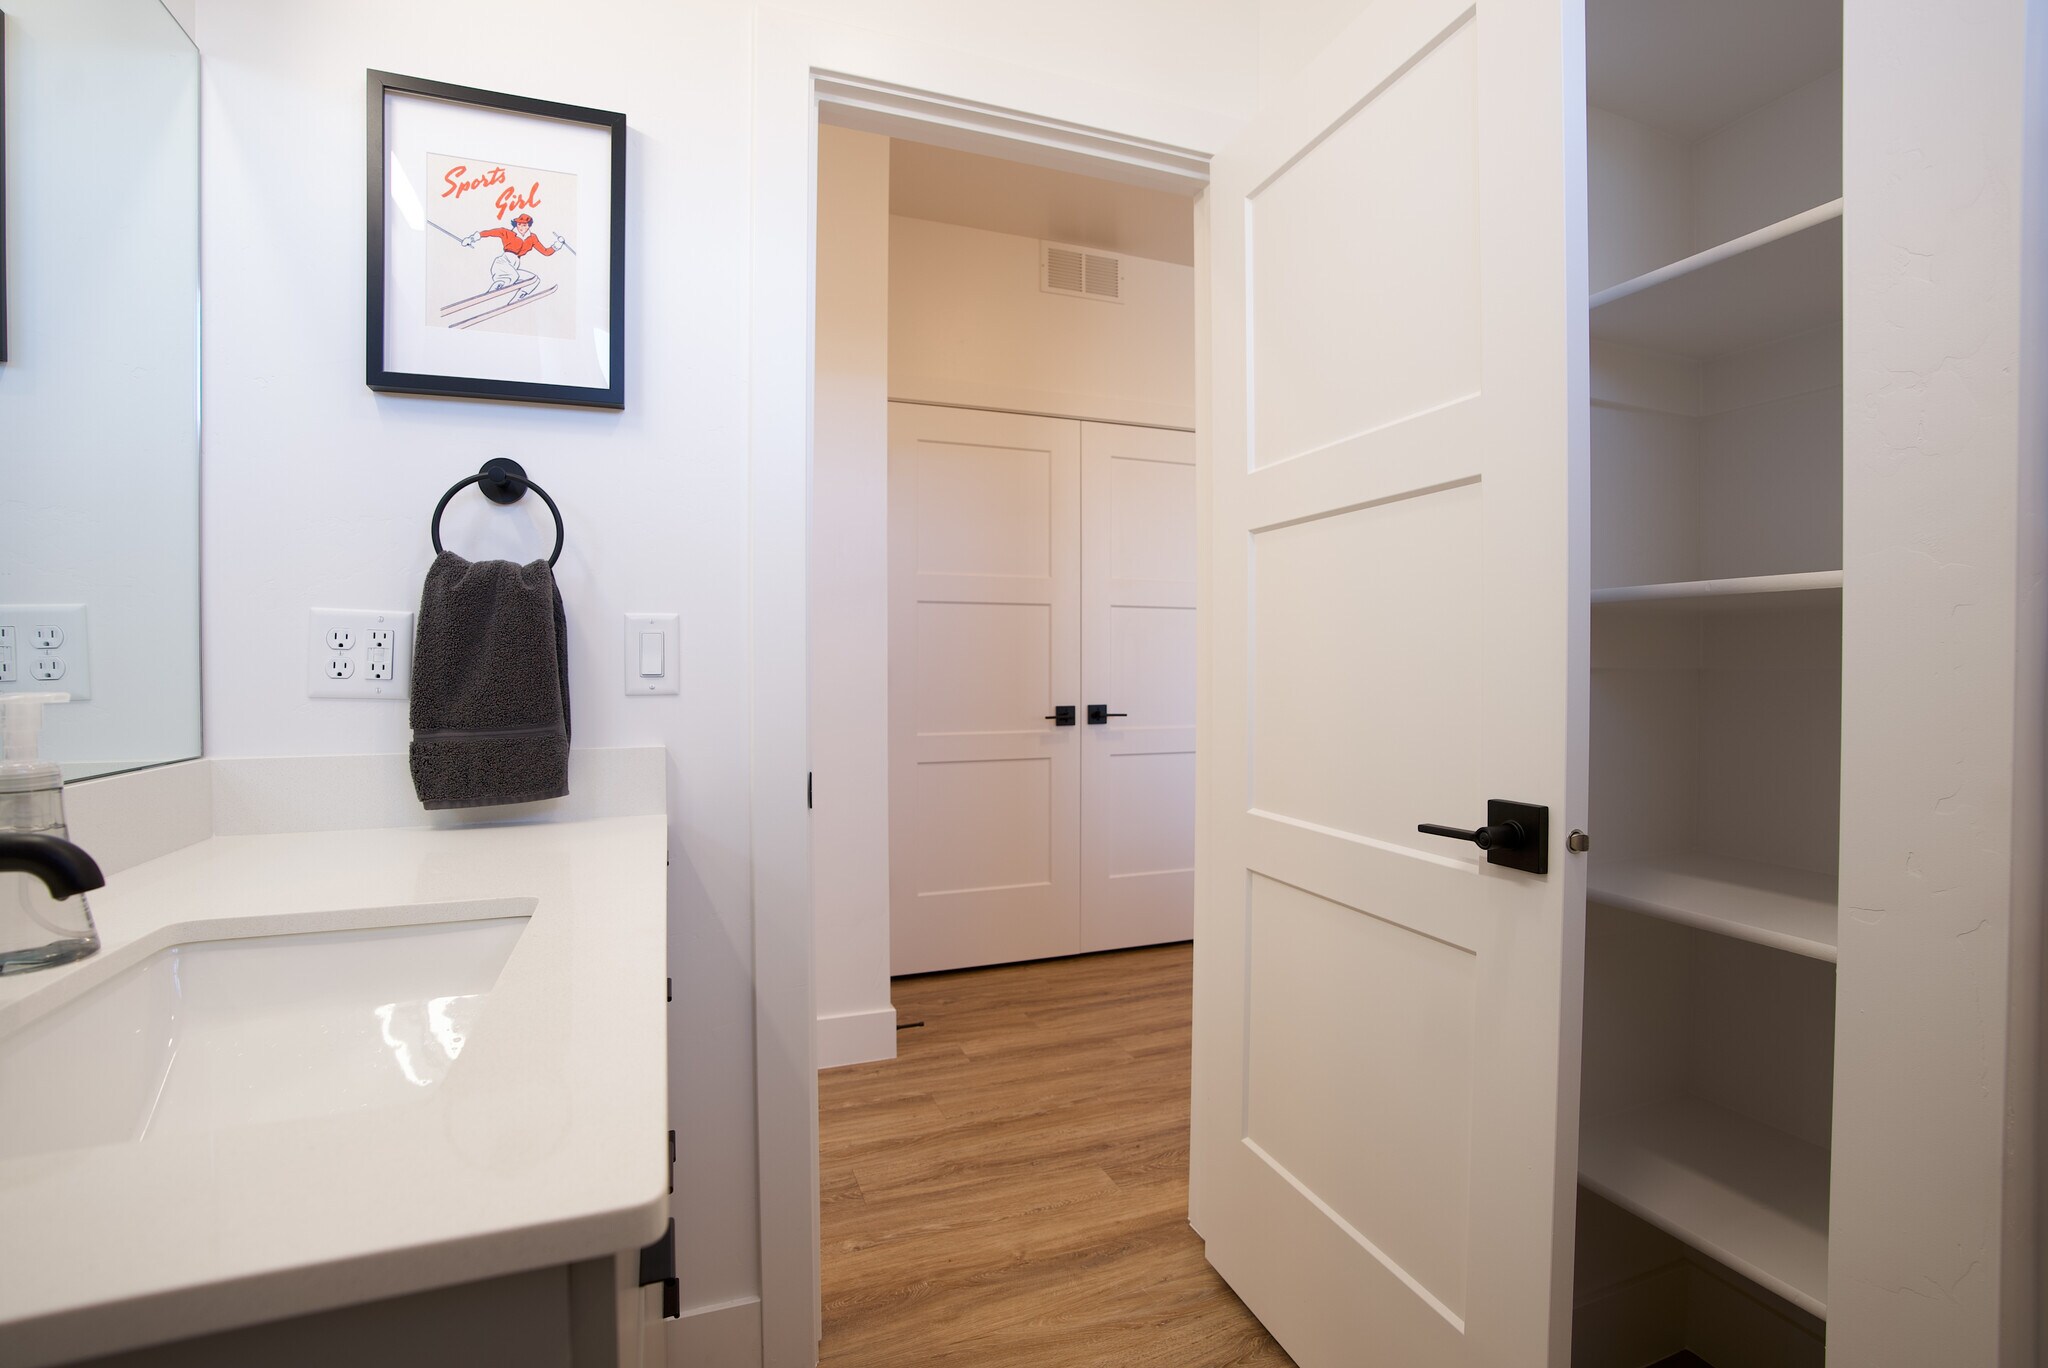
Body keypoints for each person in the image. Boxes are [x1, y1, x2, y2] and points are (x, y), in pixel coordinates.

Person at [460, 213, 567, 293]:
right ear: (516, 224)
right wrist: (471, 238)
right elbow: (489, 233)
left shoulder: (532, 238)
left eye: (524, 225)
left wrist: (557, 245)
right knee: (512, 276)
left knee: (533, 279)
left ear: (529, 226)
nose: (521, 228)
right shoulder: (508, 233)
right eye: (519, 224)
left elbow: (545, 252)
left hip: (513, 266)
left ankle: (519, 297)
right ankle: (490, 295)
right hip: (502, 263)